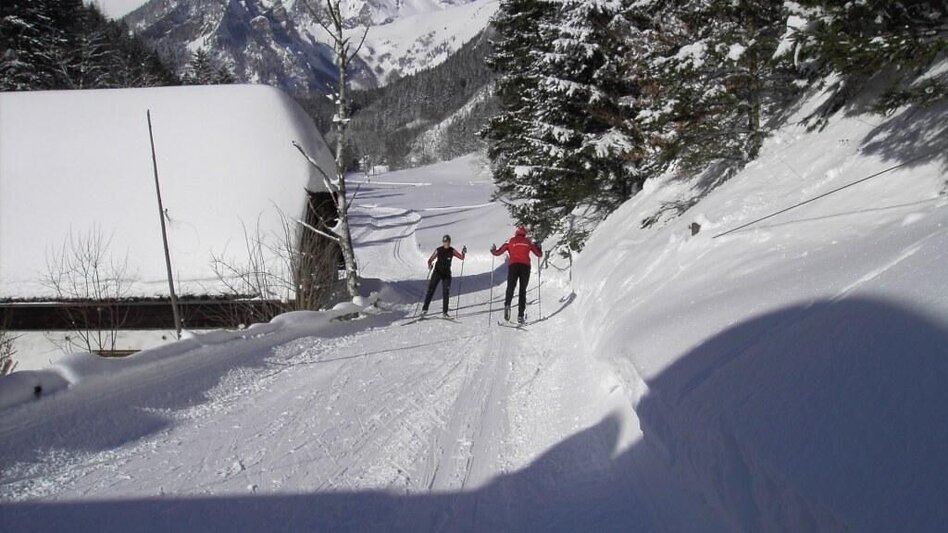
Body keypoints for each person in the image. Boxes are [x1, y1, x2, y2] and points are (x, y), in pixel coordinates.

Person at [491, 226, 542, 324]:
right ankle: (520, 315)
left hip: (513, 266)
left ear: (516, 233)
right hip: (525, 267)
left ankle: (507, 305)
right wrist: (539, 247)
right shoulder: (528, 242)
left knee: (510, 287)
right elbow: (539, 254)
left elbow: (497, 252)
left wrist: (493, 250)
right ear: (524, 233)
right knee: (522, 290)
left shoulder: (511, 241)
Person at [422, 234, 466, 317]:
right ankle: (424, 309)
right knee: (431, 290)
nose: (446, 243)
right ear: (443, 242)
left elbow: (461, 257)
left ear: (450, 242)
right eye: (445, 242)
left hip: (446, 274)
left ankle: (445, 312)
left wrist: (463, 253)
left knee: (446, 292)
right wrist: (430, 265)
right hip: (437, 272)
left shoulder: (452, 251)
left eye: (448, 242)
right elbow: (430, 260)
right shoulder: (438, 250)